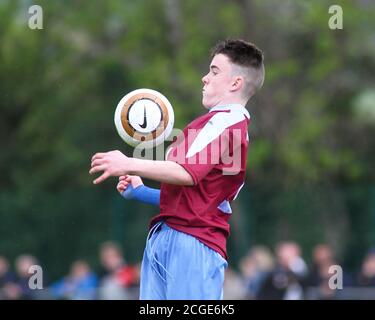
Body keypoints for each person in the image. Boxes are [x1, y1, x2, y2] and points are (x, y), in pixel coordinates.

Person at [90, 39, 265, 299]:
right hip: (169, 237)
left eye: (214, 71)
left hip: (193, 245)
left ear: (235, 83)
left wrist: (127, 162)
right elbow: (198, 200)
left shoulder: (228, 122)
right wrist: (142, 191)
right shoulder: (211, 124)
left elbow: (186, 173)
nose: (205, 78)